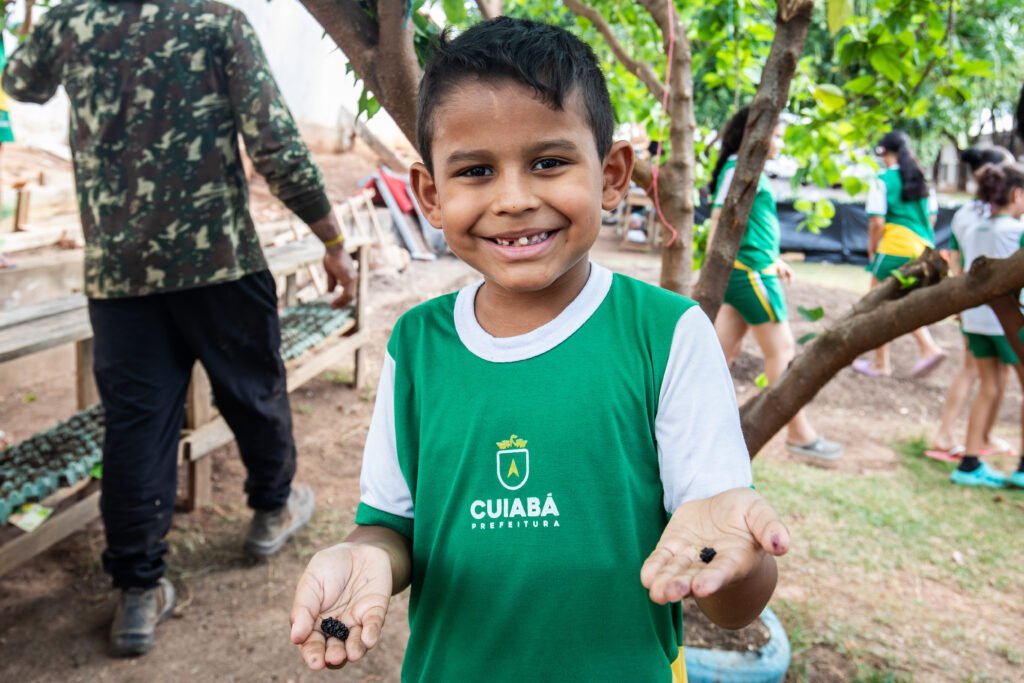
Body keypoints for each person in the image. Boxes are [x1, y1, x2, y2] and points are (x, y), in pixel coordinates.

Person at [289, 17, 790, 682]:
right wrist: (368, 556)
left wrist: (738, 558)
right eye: (475, 171)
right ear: (432, 196)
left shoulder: (665, 333)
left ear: (611, 175)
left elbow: (730, 596)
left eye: (549, 163)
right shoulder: (418, 344)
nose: (515, 199)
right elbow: (390, 525)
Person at [3, 0, 357, 657]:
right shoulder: (217, 21)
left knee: (136, 425)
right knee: (252, 389)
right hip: (219, 260)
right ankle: (271, 511)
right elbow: (274, 142)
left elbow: (21, 82)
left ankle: (138, 592)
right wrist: (330, 238)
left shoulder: (71, 21)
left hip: (120, 275)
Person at [707, 108, 842, 461]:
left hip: (750, 268)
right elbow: (721, 218)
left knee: (716, 355)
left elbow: (751, 223)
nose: (780, 142)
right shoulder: (739, 167)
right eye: (778, 135)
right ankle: (798, 434)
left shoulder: (743, 167)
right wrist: (716, 270)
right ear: (758, 136)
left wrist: (773, 259)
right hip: (750, 273)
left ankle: (697, 425)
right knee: (781, 352)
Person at [927, 147, 1016, 461]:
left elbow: (955, 260)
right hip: (996, 311)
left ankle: (977, 441)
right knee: (976, 373)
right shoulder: (1000, 220)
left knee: (989, 376)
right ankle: (953, 435)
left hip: (973, 305)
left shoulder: (970, 214)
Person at [952, 162, 1024, 488]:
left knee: (989, 386)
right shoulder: (1016, 232)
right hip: (1008, 325)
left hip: (975, 321)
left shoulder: (974, 229)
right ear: (1017, 194)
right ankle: (1022, 467)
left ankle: (969, 462)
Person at [852, 130, 946, 378]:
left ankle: (887, 361)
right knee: (900, 300)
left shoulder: (882, 179)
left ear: (884, 152)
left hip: (895, 247)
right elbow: (932, 217)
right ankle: (922, 349)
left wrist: (873, 249)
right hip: (923, 248)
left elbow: (876, 222)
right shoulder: (922, 179)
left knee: (875, 303)